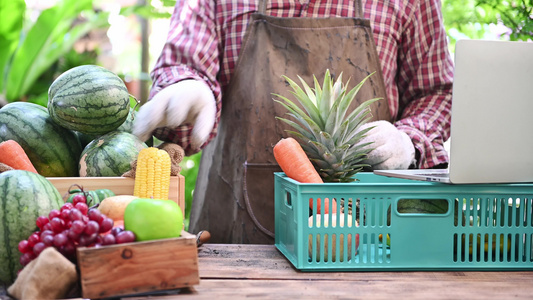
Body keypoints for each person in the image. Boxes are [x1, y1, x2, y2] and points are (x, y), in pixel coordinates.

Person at [133, 0, 454, 244]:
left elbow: (437, 91)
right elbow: (183, 64)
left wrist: (409, 141)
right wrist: (188, 90)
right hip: (232, 238)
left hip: (371, 241)